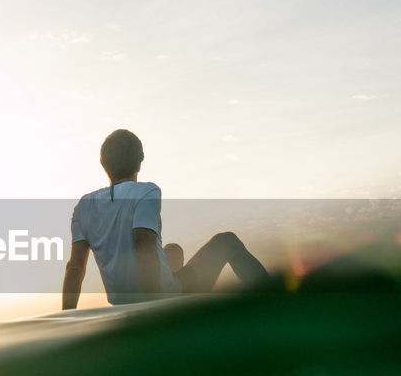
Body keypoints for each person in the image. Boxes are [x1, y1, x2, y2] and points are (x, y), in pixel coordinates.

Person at [62, 129, 269, 309]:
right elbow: (143, 244)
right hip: (165, 297)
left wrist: (64, 321)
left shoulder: (84, 205)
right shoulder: (146, 192)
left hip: (121, 304)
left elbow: (75, 267)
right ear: (140, 160)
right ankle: (275, 302)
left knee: (172, 250)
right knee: (227, 241)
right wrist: (156, 309)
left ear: (103, 163)